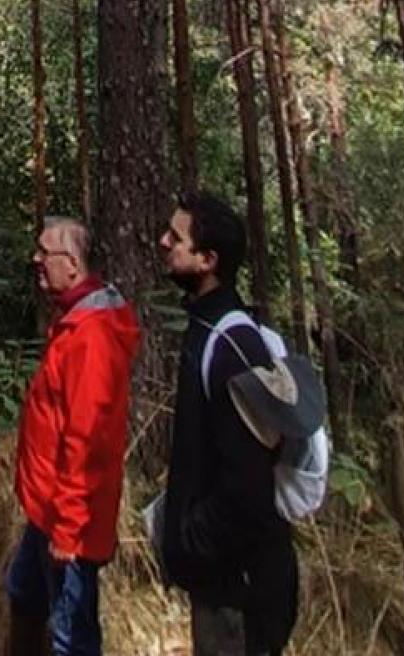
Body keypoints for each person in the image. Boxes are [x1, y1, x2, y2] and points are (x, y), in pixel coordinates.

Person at [157, 192, 298, 655]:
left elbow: (248, 480)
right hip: (226, 581)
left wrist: (194, 542)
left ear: (207, 259)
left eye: (176, 239)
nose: (163, 242)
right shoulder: (209, 329)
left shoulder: (234, 344)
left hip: (239, 588)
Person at [6, 217, 141, 656]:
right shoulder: (75, 322)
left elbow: (88, 443)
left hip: (71, 520)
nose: (37, 260)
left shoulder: (92, 338)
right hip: (50, 507)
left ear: (74, 264)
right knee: (24, 591)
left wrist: (67, 529)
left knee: (72, 634)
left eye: (46, 253)